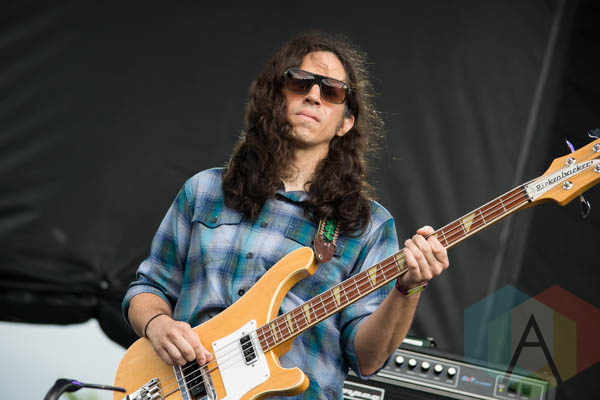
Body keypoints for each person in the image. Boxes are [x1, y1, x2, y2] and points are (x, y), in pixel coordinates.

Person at [122, 30, 449, 398]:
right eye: (300, 82)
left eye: (332, 91)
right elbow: (149, 288)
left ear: (346, 122)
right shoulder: (205, 191)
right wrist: (158, 324)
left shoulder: (367, 226)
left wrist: (408, 288)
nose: (314, 95)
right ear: (275, 96)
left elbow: (368, 359)